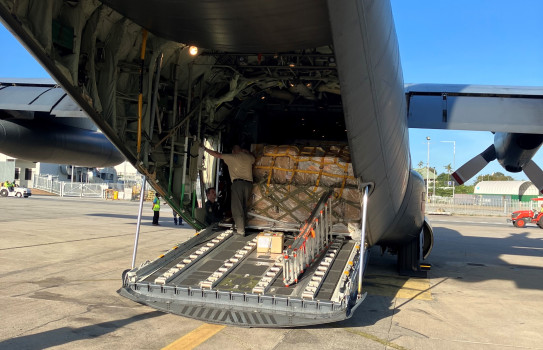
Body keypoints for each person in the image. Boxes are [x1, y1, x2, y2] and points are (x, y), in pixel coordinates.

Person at [202, 144, 255, 235]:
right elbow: (254, 157)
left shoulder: (232, 157)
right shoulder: (249, 158)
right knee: (245, 207)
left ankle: (241, 230)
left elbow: (216, 154)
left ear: (233, 151)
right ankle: (244, 226)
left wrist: (205, 149)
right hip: (249, 185)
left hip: (238, 184)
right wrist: (247, 152)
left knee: (237, 208)